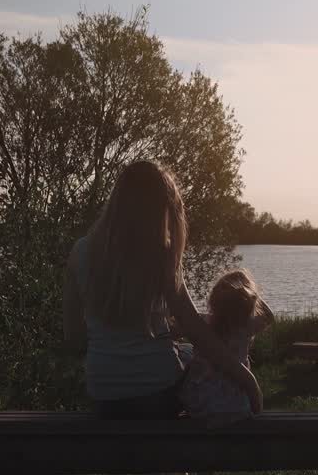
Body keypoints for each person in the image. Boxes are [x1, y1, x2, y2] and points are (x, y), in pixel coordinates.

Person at [63, 161, 262, 422]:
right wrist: (247, 379)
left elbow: (73, 336)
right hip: (158, 395)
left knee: (184, 352)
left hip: (103, 396)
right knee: (195, 357)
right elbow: (198, 332)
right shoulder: (161, 256)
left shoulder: (80, 252)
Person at [180, 269, 274, 427]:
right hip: (233, 406)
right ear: (249, 305)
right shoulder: (247, 327)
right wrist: (254, 295)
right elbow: (269, 316)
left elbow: (179, 325)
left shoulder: (204, 323)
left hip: (200, 403)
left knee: (186, 353)